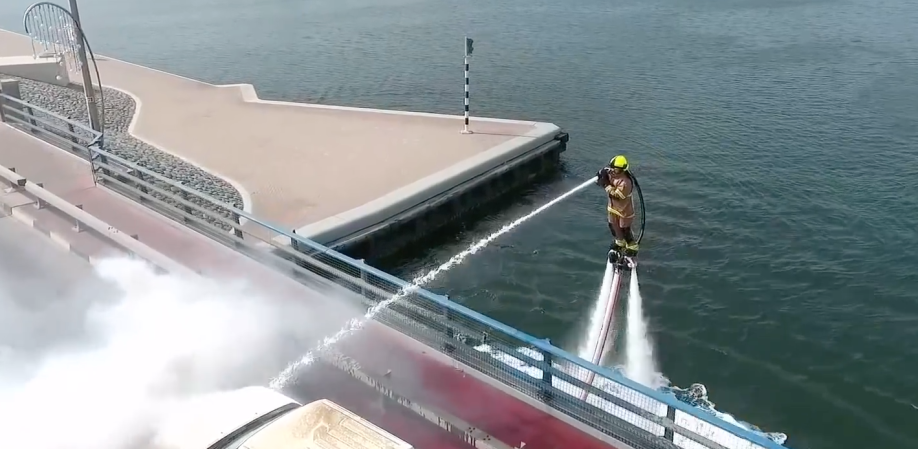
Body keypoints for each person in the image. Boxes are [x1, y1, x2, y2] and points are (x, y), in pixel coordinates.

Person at [596, 155, 638, 254]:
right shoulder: (611, 172)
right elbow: (602, 177)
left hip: (624, 211)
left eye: (617, 169)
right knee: (613, 226)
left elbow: (617, 196)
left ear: (623, 170)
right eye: (613, 168)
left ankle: (632, 247)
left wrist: (605, 184)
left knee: (624, 230)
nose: (614, 171)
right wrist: (600, 175)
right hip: (612, 208)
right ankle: (620, 242)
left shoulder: (625, 182)